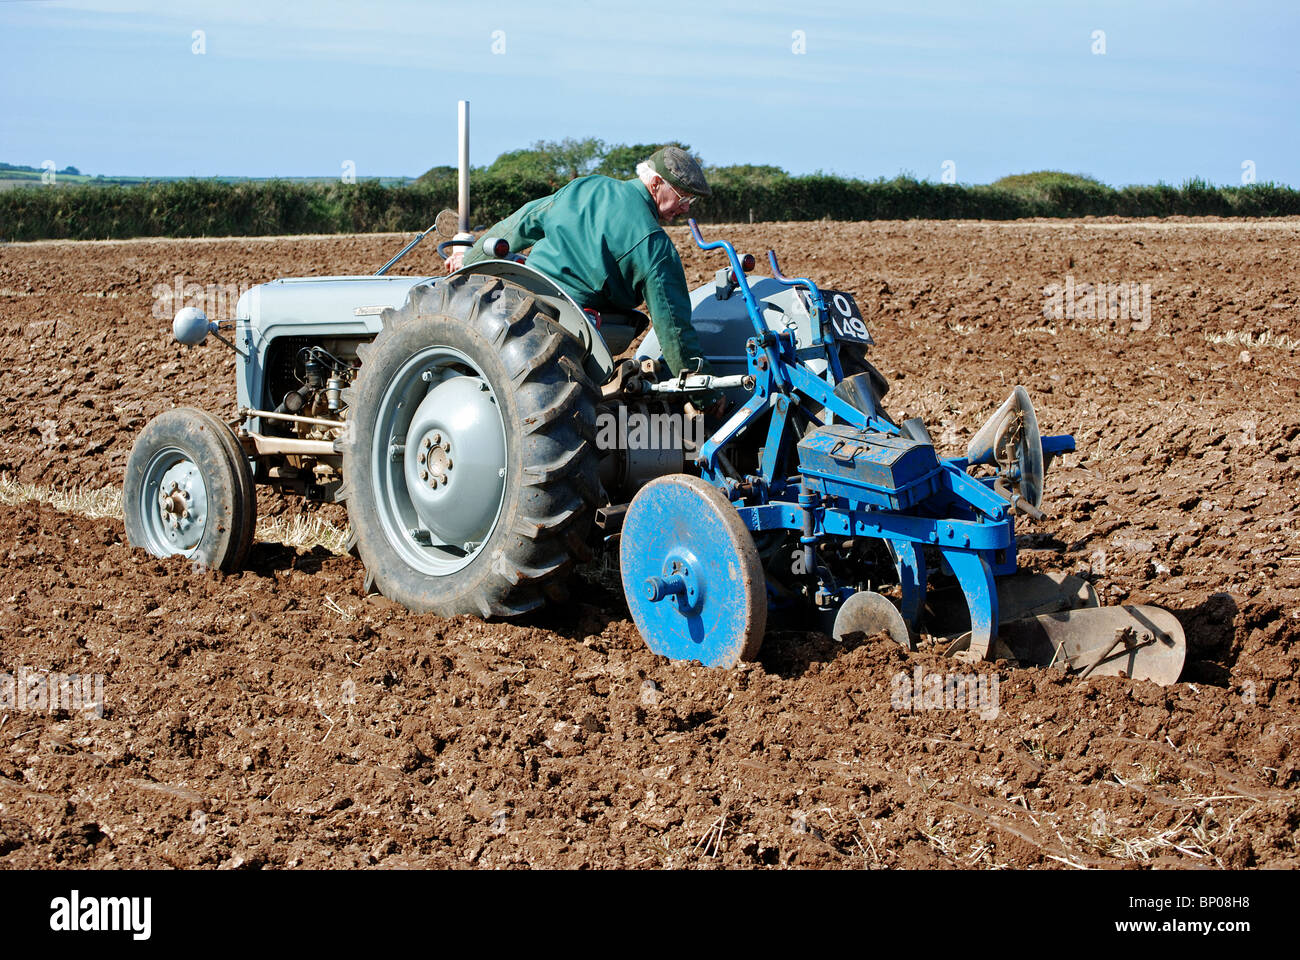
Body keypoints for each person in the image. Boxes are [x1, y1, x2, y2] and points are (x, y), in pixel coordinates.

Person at [446, 146, 721, 410]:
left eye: (690, 201)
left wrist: (470, 262)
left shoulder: (586, 187)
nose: (686, 209)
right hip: (574, 329)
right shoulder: (653, 244)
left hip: (522, 299)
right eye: (683, 198)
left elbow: (524, 221)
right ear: (656, 183)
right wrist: (704, 393)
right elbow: (673, 328)